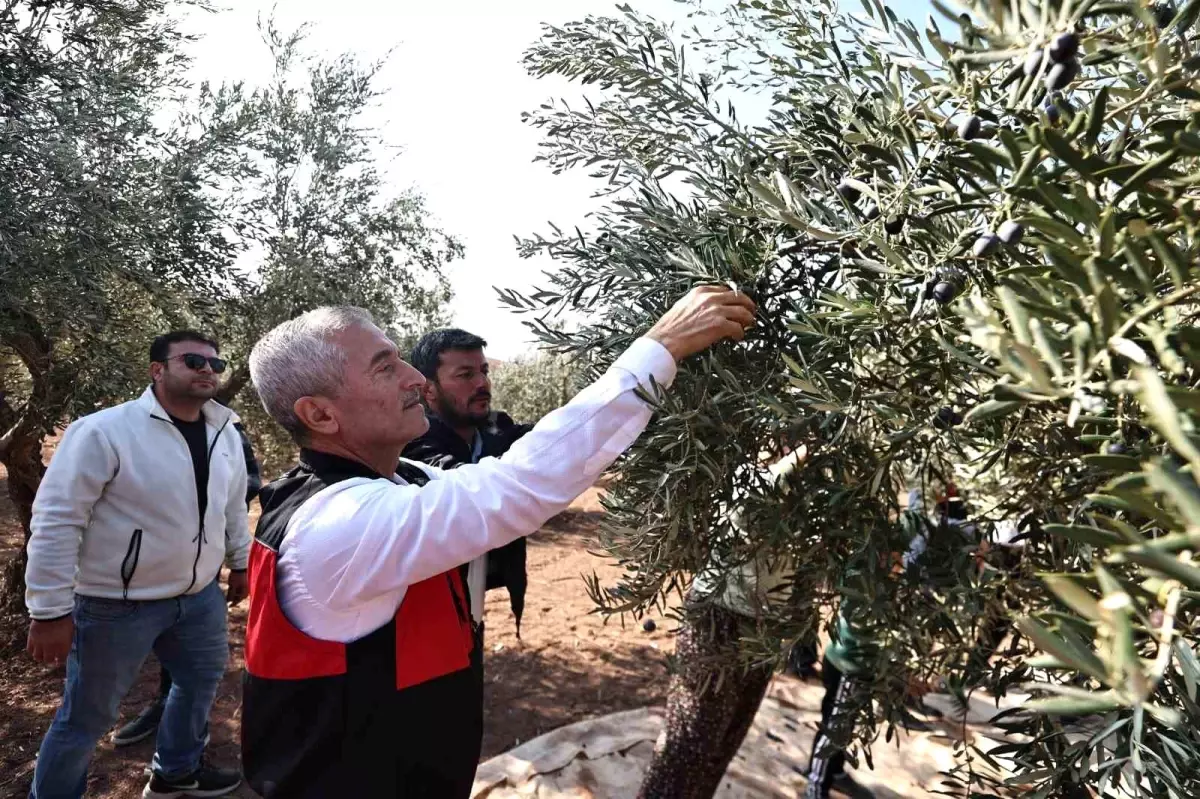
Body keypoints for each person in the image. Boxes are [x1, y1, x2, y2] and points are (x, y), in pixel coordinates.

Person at [241, 286, 755, 798]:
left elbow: (513, 473)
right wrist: (661, 346)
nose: (416, 380)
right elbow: (518, 488)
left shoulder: (403, 478)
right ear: (321, 415)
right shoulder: (337, 524)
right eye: (384, 367)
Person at [24, 331, 251, 799]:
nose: (208, 369)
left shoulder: (224, 431)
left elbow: (232, 506)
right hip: (115, 604)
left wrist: (240, 563)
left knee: (199, 683)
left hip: (199, 597)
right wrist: (48, 610)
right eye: (193, 361)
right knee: (86, 718)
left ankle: (175, 773)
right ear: (157, 370)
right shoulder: (104, 431)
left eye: (216, 362)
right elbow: (57, 519)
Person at [111, 409, 262, 748]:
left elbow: (246, 485)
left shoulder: (227, 426)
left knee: (191, 657)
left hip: (199, 565)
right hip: (140, 571)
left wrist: (233, 555)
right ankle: (166, 713)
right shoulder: (137, 424)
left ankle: (178, 728)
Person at [403, 328, 532, 640]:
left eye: (483, 371)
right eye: (465, 375)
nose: (481, 383)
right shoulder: (411, 442)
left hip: (472, 601)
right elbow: (459, 484)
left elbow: (550, 439)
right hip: (425, 611)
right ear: (429, 389)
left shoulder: (498, 430)